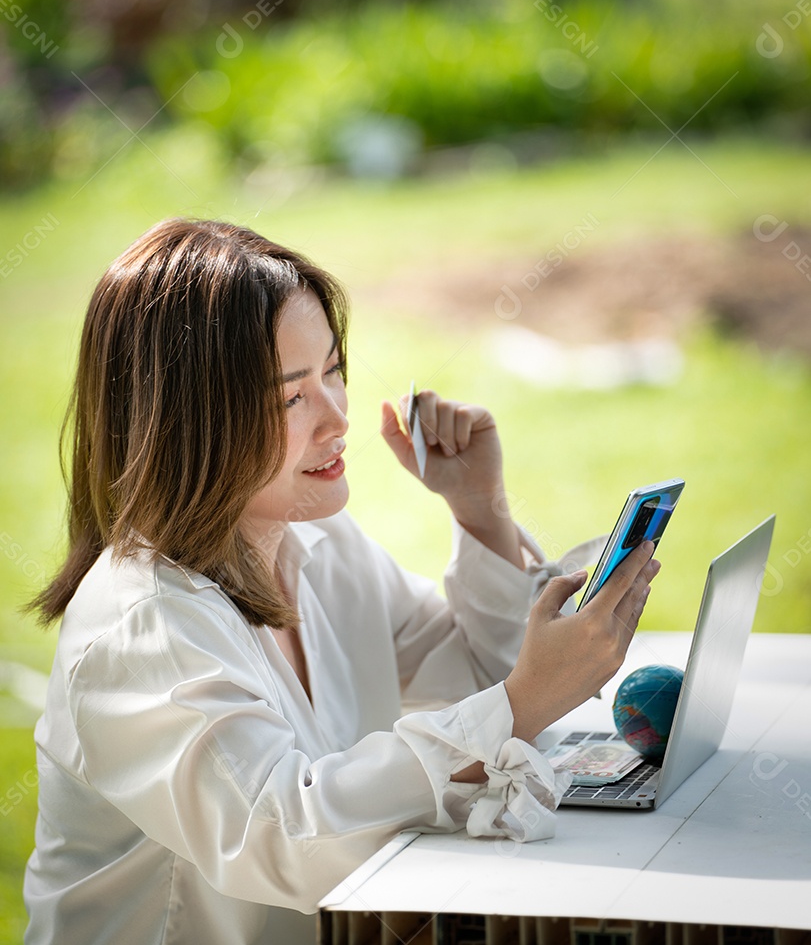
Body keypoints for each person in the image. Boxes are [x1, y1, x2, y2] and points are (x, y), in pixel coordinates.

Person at [23, 218, 658, 945]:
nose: (336, 417)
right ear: (187, 422)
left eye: (332, 371)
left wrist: (481, 511)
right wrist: (519, 703)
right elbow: (283, 840)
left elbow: (474, 682)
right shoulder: (141, 624)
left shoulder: (317, 541)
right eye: (290, 397)